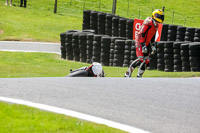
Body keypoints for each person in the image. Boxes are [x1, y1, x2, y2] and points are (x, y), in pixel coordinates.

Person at [125, 9, 164, 78]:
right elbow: (141, 34)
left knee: (147, 61)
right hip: (140, 41)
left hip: (146, 42)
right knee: (141, 59)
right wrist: (143, 45)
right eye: (160, 16)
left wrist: (153, 45)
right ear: (155, 15)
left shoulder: (156, 25)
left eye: (162, 16)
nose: (161, 18)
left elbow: (153, 36)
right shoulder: (148, 22)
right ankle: (128, 73)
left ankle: (139, 75)